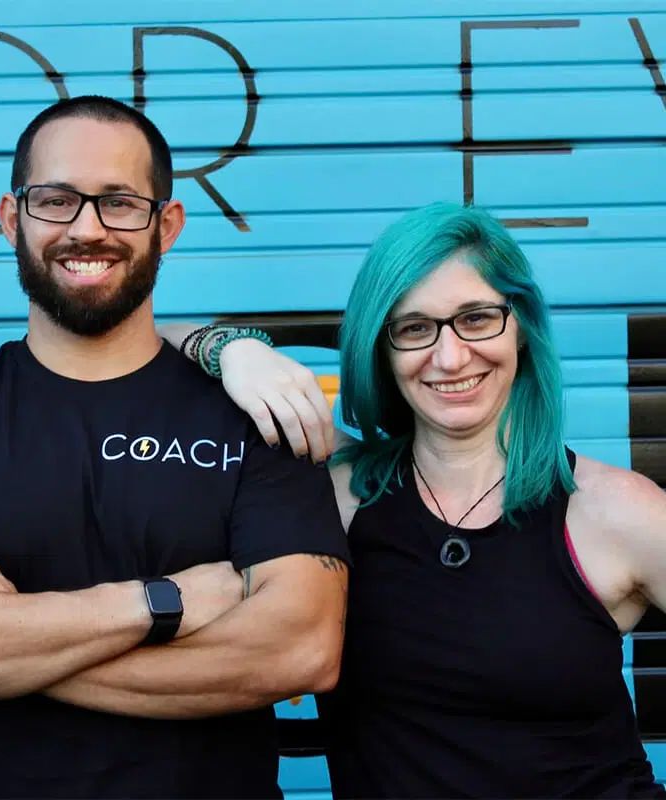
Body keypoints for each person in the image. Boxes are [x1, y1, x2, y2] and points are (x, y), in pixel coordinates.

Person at [0, 95, 349, 800]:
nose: (87, 228)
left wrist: (8, 633)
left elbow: (299, 649)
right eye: (57, 200)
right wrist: (160, 603)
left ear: (167, 225)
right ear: (12, 220)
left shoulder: (255, 421)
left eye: (120, 202)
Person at [172, 202, 666, 797]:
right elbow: (132, 348)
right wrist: (232, 351)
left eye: (477, 318)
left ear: (522, 328)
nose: (451, 356)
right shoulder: (338, 498)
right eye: (414, 328)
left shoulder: (615, 512)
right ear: (379, 349)